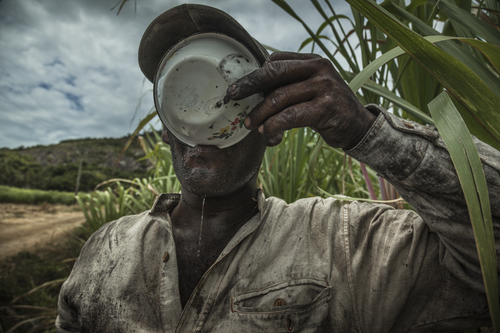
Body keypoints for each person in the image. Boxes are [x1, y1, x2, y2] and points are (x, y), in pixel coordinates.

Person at [56, 4, 500, 332]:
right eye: (181, 103)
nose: (199, 125)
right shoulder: (107, 249)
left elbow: (487, 251)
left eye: (226, 97)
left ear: (273, 123)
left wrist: (365, 131)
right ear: (169, 128)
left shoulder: (343, 243)